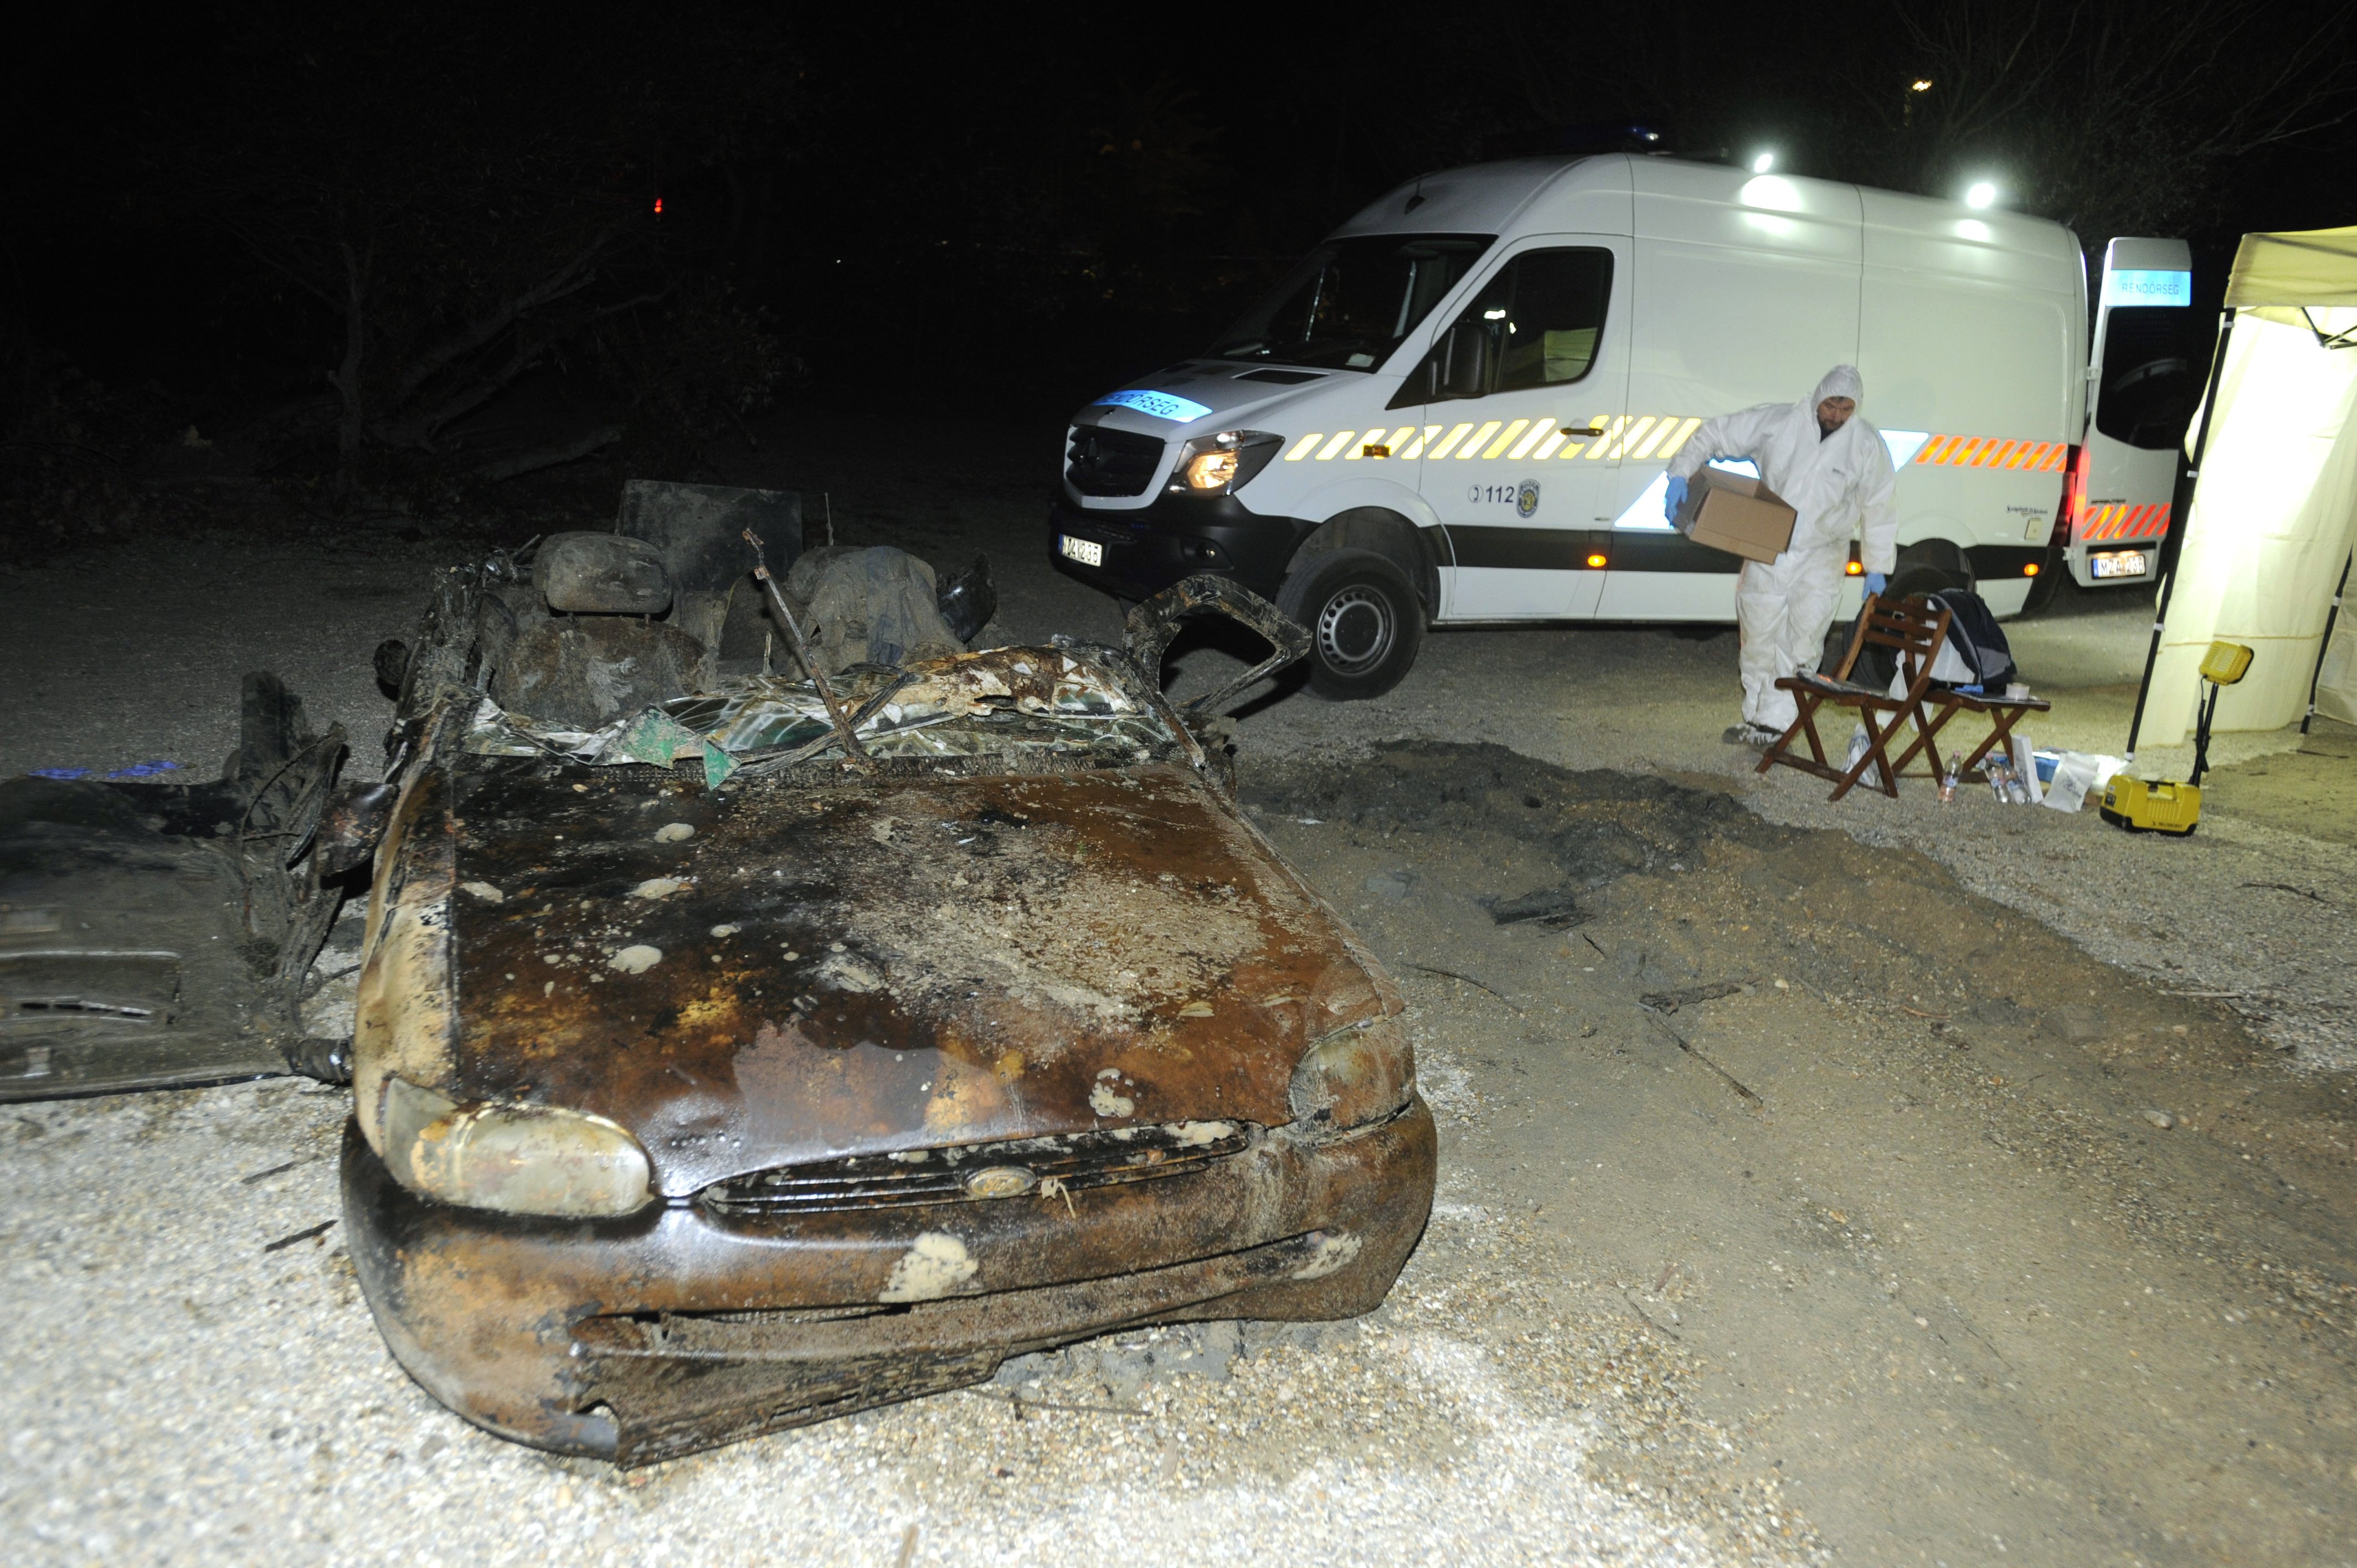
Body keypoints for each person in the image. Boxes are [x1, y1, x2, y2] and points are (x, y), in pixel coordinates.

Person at [1663, 364, 1897, 746]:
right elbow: (1716, 433)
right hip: (1769, 546)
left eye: (1846, 409)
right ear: (1819, 397)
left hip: (1822, 557)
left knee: (1802, 642)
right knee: (1758, 637)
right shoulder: (1780, 422)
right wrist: (1681, 472)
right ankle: (1755, 718)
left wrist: (1878, 566)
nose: (1836, 416)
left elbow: (1880, 505)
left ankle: (1778, 726)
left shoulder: (1866, 444)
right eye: (1831, 406)